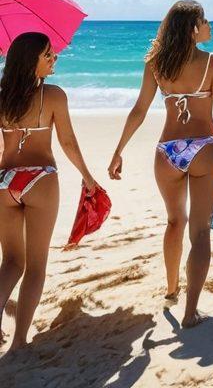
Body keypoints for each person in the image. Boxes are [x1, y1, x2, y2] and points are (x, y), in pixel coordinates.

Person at [108, 0, 213, 328]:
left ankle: (171, 291)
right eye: (204, 20)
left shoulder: (156, 64)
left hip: (167, 151)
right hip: (204, 147)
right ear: (193, 28)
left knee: (174, 222)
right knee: (200, 231)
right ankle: (190, 312)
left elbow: (139, 110)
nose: (209, 25)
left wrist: (118, 150)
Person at [0, 32, 99, 352]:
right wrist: (87, 176)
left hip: (5, 182)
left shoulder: (2, 97)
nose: (54, 58)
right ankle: (19, 341)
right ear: (31, 61)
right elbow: (67, 141)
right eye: (47, 55)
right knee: (36, 265)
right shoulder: (53, 95)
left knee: (11, 261)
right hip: (39, 179)